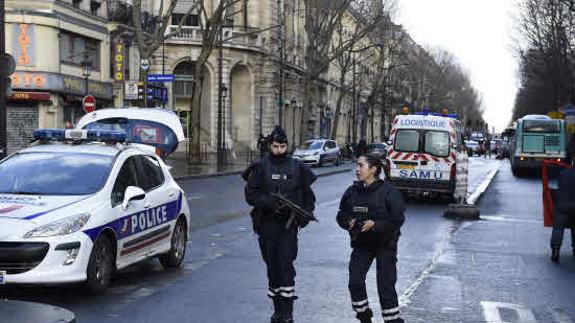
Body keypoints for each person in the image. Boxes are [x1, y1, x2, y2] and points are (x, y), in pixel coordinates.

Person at [243, 126, 317, 323]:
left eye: (282, 146)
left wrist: (304, 216)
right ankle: (277, 309)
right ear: (270, 146)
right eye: (275, 146)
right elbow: (251, 195)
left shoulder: (298, 167)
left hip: (288, 225)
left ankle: (287, 313)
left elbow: (309, 198)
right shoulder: (260, 167)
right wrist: (268, 203)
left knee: (285, 264)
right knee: (272, 266)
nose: (279, 150)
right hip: (267, 224)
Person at [336, 153, 406, 323]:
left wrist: (375, 224)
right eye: (357, 165)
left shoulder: (389, 192)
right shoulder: (352, 192)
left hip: (385, 244)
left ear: (373, 169)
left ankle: (392, 320)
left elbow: (398, 219)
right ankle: (364, 317)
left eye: (361, 166)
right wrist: (349, 222)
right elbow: (341, 215)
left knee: (385, 287)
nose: (357, 169)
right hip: (362, 244)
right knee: (355, 282)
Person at [550, 161, 575, 263]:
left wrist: (556, 201)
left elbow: (555, 189)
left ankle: (556, 249)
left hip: (562, 207)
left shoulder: (563, 174)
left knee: (558, 229)